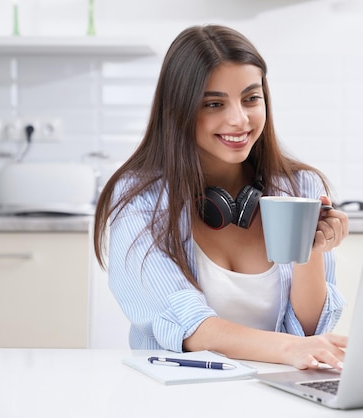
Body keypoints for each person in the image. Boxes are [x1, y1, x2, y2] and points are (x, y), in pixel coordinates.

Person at [93, 24, 349, 370]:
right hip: (173, 395)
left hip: (279, 390)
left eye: (250, 99)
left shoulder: (299, 186)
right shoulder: (142, 199)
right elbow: (191, 328)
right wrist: (288, 349)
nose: (239, 119)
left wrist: (311, 250)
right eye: (214, 103)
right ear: (179, 110)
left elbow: (307, 332)